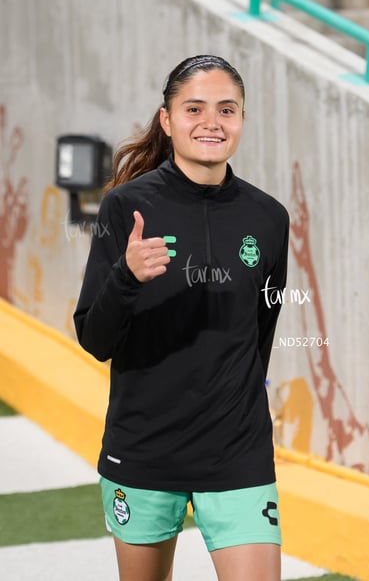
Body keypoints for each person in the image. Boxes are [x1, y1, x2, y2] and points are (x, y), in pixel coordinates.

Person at [74, 55, 289, 581]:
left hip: (237, 451)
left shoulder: (269, 217)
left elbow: (261, 331)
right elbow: (94, 338)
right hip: (144, 449)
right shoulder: (126, 208)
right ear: (167, 120)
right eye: (194, 108)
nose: (211, 123)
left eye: (227, 109)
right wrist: (126, 275)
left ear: (242, 118)